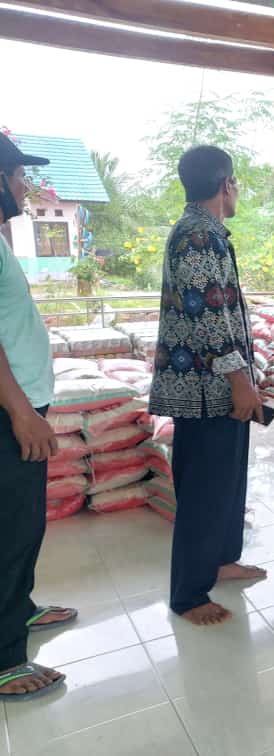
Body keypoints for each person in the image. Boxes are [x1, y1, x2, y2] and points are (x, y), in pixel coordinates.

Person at [149, 145, 267, 627]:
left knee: (226, 483)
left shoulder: (207, 233)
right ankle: (189, 594)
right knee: (204, 491)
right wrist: (240, 380)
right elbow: (208, 317)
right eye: (235, 184)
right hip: (205, 391)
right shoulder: (197, 236)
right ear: (226, 185)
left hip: (218, 390)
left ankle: (219, 560)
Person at [0, 132, 77, 701]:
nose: (24, 185)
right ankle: (5, 659)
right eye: (18, 175)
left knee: (25, 523)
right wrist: (21, 411)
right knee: (10, 527)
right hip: (11, 408)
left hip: (22, 399)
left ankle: (19, 609)